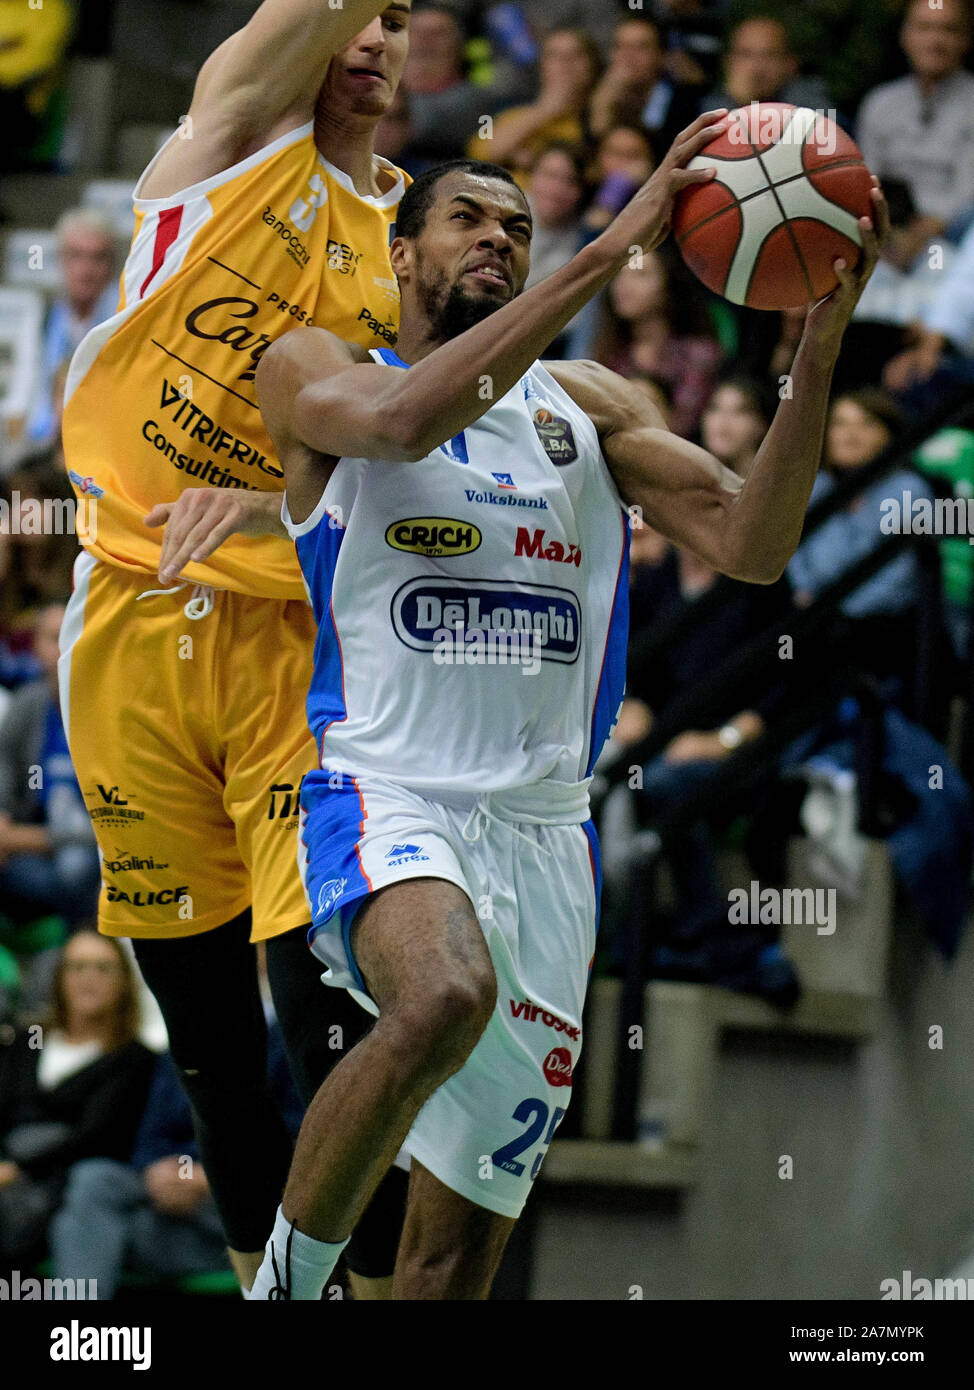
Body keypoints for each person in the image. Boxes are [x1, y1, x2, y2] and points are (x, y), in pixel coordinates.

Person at [249, 117, 887, 1297]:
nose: (499, 237)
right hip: (390, 792)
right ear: (398, 252)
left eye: (518, 228)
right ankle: (283, 1285)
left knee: (452, 1263)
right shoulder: (317, 368)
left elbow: (754, 541)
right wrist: (606, 251)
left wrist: (818, 343)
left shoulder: (586, 405)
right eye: (469, 218)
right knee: (442, 992)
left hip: (549, 837)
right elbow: (399, 428)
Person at [58, 0, 418, 1298]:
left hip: (299, 650)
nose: (374, 34)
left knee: (327, 1026)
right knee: (207, 1049)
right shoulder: (215, 153)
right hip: (129, 624)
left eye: (401, 18)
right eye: (354, 14)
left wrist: (272, 505)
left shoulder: (410, 240)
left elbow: (420, 445)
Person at [50, 1027, 302, 1300]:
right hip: (165, 1189)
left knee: (89, 1231)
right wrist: (157, 1172)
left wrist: (208, 1178)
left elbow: (296, 1149)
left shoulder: (287, 1043)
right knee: (94, 1177)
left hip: (240, 1195)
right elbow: (148, 1138)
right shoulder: (180, 1047)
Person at [0, 931, 155, 1274]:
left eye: (103, 968)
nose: (89, 978)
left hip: (62, 1181)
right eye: (77, 967)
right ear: (59, 977)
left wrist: (18, 1168)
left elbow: (97, 1136)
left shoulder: (134, 1058)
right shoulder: (29, 1040)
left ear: (124, 982)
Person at [0, 600, 100, 935]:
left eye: (72, 635)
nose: (63, 649)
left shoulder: (109, 709)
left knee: (77, 872)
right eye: (53, 638)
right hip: (34, 856)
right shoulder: (27, 706)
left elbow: (121, 819)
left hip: (98, 850)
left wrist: (31, 839)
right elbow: (5, 781)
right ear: (35, 646)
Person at [26, 210, 119, 448]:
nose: (85, 270)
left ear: (112, 265)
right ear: (60, 260)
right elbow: (23, 395)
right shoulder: (41, 316)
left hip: (105, 442)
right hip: (44, 442)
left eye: (97, 258)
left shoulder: (125, 318)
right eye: (75, 256)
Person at [466, 27, 602, 187]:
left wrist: (535, 160)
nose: (565, 61)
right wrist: (544, 111)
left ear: (592, 65)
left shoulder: (600, 118)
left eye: (577, 54)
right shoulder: (515, 115)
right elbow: (481, 153)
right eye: (554, 55)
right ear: (542, 66)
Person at [589, 16, 704, 157]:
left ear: (661, 56)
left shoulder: (685, 104)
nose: (627, 57)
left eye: (640, 47)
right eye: (619, 47)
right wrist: (602, 108)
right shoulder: (595, 98)